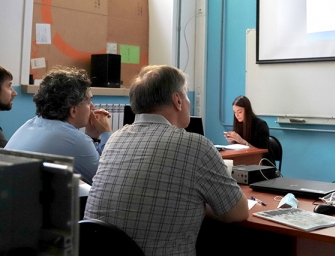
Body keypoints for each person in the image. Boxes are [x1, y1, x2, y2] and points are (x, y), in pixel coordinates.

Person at [85, 65, 248, 255]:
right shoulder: (196, 145)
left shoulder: (115, 139)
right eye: (186, 94)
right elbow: (238, 211)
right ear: (177, 100)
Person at [5, 66, 111, 184]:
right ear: (73, 110)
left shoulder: (30, 124)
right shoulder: (76, 140)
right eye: (88, 101)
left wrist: (92, 137)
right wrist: (105, 132)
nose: (92, 106)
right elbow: (108, 179)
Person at [224, 95, 274, 161]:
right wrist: (233, 140)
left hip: (262, 162)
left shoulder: (260, 125)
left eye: (240, 112)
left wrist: (243, 142)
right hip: (245, 160)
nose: (237, 115)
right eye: (235, 112)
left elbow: (263, 152)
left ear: (247, 111)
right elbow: (240, 149)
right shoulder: (239, 123)